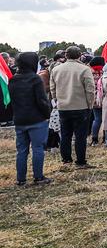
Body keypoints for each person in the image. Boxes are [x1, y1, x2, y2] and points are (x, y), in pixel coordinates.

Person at [48, 45, 96, 169]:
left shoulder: (56, 69)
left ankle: (66, 160)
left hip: (63, 106)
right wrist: (90, 104)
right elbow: (90, 89)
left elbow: (52, 88)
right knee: (80, 136)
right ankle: (80, 161)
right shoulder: (84, 69)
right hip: (81, 106)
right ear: (80, 55)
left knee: (65, 135)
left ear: (66, 55)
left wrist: (56, 100)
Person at [10, 52, 53, 185]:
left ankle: (21, 179)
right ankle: (38, 177)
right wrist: (47, 114)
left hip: (19, 119)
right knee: (38, 148)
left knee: (21, 150)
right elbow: (42, 101)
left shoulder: (13, 80)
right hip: (36, 120)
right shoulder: (35, 79)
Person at [88, 56, 105, 145]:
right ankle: (106, 138)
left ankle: (94, 138)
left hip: (94, 98)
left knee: (97, 119)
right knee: (106, 118)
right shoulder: (104, 72)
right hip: (104, 98)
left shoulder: (89, 72)